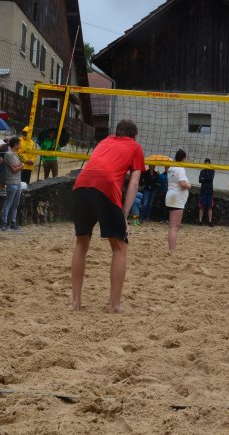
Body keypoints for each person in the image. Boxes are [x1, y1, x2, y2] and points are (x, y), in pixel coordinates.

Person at [71, 119, 144, 313]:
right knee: (120, 247)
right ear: (133, 136)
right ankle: (115, 305)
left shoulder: (104, 142)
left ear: (117, 132)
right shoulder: (135, 147)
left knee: (81, 244)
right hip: (105, 186)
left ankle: (75, 302)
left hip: (81, 184)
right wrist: (124, 214)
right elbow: (134, 183)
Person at [166, 149, 192, 252]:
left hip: (171, 197)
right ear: (183, 158)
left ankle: (170, 249)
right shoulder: (180, 168)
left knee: (172, 226)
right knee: (175, 227)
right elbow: (182, 184)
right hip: (177, 198)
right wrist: (189, 185)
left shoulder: (171, 167)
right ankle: (172, 250)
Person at [0, 137, 24, 232]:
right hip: (11, 182)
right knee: (8, 203)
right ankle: (4, 224)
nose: (20, 145)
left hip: (18, 181)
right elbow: (14, 169)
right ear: (15, 144)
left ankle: (13, 222)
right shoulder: (8, 154)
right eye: (19, 144)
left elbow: (17, 166)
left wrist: (19, 166)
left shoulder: (15, 154)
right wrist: (21, 166)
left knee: (15, 204)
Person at [198, 158, 215, 226]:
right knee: (201, 207)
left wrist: (204, 178)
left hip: (210, 191)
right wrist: (205, 179)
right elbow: (199, 180)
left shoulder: (212, 170)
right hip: (203, 191)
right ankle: (200, 221)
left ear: (209, 164)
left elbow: (210, 179)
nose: (207, 165)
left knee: (210, 207)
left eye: (208, 163)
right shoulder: (202, 171)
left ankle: (210, 222)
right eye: (206, 164)